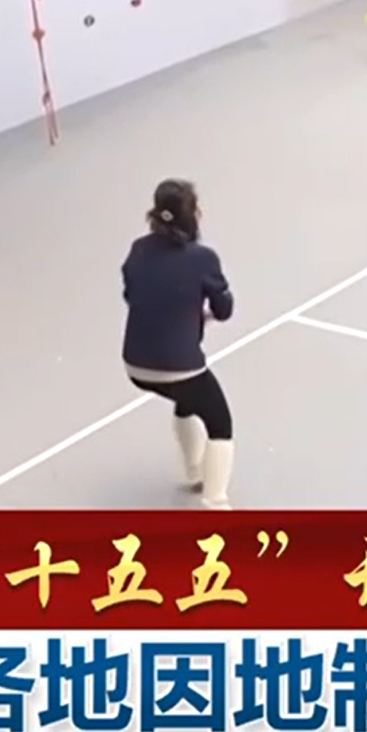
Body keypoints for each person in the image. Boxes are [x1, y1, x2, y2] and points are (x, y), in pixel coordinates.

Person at [122, 179, 239, 509]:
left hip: (135, 366)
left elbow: (132, 295)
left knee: (186, 401)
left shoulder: (138, 249)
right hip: (180, 367)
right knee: (220, 422)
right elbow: (223, 309)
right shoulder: (202, 258)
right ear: (193, 215)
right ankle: (215, 501)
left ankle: (194, 472)